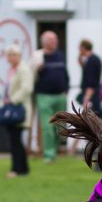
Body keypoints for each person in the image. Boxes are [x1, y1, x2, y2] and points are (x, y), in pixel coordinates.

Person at [32, 31, 70, 163]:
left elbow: (65, 73)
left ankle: (55, 148)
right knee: (47, 127)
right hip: (44, 96)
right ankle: (49, 155)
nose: (55, 42)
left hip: (60, 95)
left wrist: (66, 89)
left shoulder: (60, 56)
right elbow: (32, 74)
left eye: (55, 39)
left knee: (61, 126)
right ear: (44, 42)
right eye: (52, 39)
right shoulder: (38, 56)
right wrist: (38, 69)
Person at [1, 44, 33, 178]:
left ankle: (17, 168)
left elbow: (27, 88)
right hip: (11, 108)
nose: (9, 58)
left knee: (15, 139)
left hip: (19, 109)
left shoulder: (23, 69)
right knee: (15, 139)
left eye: (11, 55)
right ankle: (22, 168)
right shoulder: (12, 70)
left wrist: (13, 100)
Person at [78, 39, 102, 116]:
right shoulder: (94, 59)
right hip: (94, 94)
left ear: (83, 48)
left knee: (92, 119)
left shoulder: (91, 62)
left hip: (92, 96)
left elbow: (91, 82)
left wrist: (86, 99)